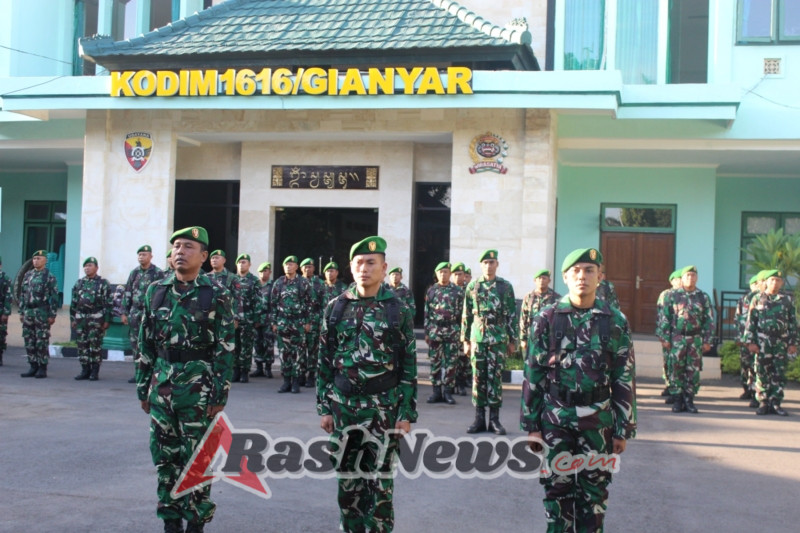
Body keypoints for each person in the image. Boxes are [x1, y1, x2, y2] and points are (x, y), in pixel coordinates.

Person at [521, 247, 636, 533]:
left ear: (600, 278)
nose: (582, 276)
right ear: (565, 277)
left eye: (589, 271)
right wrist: (532, 427)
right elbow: (533, 375)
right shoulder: (546, 319)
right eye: (576, 271)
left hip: (598, 421)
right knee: (556, 496)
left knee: (594, 499)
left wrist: (623, 428)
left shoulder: (615, 321)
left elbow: (624, 377)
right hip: (555, 420)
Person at [137, 226, 235, 533]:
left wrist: (219, 395)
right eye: (177, 246)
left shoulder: (216, 294)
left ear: (204, 256)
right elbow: (145, 342)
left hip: (199, 390)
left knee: (197, 460)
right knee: (165, 459)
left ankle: (195, 523)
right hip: (162, 387)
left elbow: (225, 348)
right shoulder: (156, 290)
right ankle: (170, 522)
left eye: (189, 246)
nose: (180, 251)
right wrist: (143, 387)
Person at [317, 235, 417, 533]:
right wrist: (324, 407)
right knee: (348, 482)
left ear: (384, 268)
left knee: (381, 484)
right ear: (350, 267)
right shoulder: (336, 307)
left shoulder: (397, 309)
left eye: (371, 263)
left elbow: (408, 365)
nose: (365, 268)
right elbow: (324, 360)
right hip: (344, 408)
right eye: (359, 262)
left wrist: (406, 413)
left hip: (382, 408)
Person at [461, 249, 516, 435]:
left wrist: (512, 339)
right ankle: (478, 419)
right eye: (485, 262)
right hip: (478, 338)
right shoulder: (473, 286)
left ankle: (494, 419)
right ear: (481, 265)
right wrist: (465, 340)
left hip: (498, 338)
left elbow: (511, 314)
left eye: (492, 262)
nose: (488, 265)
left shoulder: (505, 287)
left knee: (495, 379)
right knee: (478, 378)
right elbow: (466, 315)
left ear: (497, 264)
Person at [657, 265, 715, 414]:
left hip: (695, 338)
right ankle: (677, 400)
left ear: (697, 278)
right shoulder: (672, 296)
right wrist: (664, 337)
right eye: (687, 276)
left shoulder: (703, 297)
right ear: (682, 278)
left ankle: (689, 399)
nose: (690, 278)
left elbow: (709, 320)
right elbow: (664, 317)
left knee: (693, 370)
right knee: (676, 369)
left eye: (693, 276)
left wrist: (708, 340)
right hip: (677, 337)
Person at [745, 270, 797, 416]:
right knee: (762, 372)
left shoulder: (787, 300)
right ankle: (763, 402)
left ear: (781, 283)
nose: (775, 283)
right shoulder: (757, 298)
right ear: (766, 282)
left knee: (778, 373)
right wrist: (750, 342)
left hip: (781, 341)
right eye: (772, 280)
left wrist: (793, 343)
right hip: (762, 341)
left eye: (778, 280)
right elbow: (751, 322)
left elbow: (793, 323)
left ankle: (776, 403)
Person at [122, 244, 165, 383]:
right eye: (139, 254)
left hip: (151, 314)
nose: (141, 257)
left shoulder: (158, 273)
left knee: (151, 343)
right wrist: (124, 312)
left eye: (144, 254)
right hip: (135, 313)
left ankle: (152, 373)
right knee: (136, 344)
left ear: (151, 256)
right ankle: (138, 373)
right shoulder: (134, 273)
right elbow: (127, 292)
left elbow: (162, 294)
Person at [270, 255, 311, 393]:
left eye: (292, 264)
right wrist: (274, 322)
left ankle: (296, 382)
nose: (289, 266)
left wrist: (307, 322)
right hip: (283, 322)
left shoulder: (303, 282)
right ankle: (286, 381)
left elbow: (308, 303)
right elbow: (273, 304)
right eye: (286, 264)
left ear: (296, 267)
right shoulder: (279, 282)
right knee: (284, 353)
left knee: (298, 353)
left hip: (298, 322)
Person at [423, 262, 463, 405]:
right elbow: (427, 312)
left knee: (451, 362)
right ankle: (436, 391)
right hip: (435, 331)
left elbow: (462, 314)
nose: (443, 274)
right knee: (435, 362)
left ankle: (447, 392)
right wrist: (426, 332)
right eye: (440, 272)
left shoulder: (457, 291)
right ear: (437, 274)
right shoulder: (431, 291)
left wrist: (461, 333)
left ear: (450, 274)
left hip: (452, 330)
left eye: (446, 272)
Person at [70, 257, 112, 381]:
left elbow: (108, 303)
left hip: (96, 318)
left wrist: (107, 320)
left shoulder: (103, 283)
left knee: (95, 345)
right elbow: (73, 302)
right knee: (82, 345)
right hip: (81, 318)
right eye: (85, 266)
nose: (87, 268)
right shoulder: (79, 283)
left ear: (96, 268)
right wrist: (73, 318)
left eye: (90, 265)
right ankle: (84, 369)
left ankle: (94, 371)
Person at [19, 250, 60, 379]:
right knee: (29, 339)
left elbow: (54, 297)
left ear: (45, 261)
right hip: (28, 311)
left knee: (41, 340)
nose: (36, 261)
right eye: (34, 258)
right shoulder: (28, 275)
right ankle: (33, 365)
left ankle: (42, 367)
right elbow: (23, 294)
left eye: (39, 258)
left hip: (41, 312)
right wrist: (21, 311)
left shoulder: (49, 276)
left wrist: (52, 314)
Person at [207, 250, 244, 379]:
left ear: (224, 260)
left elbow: (237, 298)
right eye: (212, 258)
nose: (214, 260)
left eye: (217, 257)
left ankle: (228, 372)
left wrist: (236, 317)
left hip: (226, 317)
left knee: (226, 346)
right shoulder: (206, 277)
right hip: (210, 317)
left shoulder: (232, 278)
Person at [519, 269, 561, 354]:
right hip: (531, 338)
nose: (541, 280)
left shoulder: (556, 298)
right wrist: (523, 339)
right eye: (539, 278)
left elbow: (560, 319)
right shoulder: (529, 297)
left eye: (544, 278)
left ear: (549, 281)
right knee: (530, 364)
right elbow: (523, 317)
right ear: (535, 281)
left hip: (549, 339)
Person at [734, 273, 761, 406]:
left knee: (756, 367)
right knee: (745, 365)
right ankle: (746, 389)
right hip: (745, 337)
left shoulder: (763, 299)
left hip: (758, 339)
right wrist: (739, 337)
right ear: (750, 285)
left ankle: (756, 392)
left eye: (758, 283)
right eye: (754, 284)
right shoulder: (743, 299)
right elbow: (738, 318)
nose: (756, 286)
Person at [656, 270, 683, 401]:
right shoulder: (666, 294)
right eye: (677, 279)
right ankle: (669, 384)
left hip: (679, 336)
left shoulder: (685, 296)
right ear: (672, 281)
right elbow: (662, 315)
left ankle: (675, 389)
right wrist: (662, 334)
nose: (679, 281)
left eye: (680, 279)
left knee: (676, 363)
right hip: (668, 333)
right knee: (668, 361)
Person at [234, 253, 260, 383]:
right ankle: (236, 370)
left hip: (248, 318)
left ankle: (244, 371)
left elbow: (258, 301)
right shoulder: (232, 280)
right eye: (240, 262)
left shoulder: (254, 280)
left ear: (249, 265)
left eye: (244, 262)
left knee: (246, 346)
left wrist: (256, 318)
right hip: (234, 319)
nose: (242, 264)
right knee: (235, 345)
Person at [301, 257, 327, 387]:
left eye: (310, 267)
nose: (308, 269)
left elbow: (324, 304)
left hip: (315, 322)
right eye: (305, 267)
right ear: (301, 269)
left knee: (313, 349)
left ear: (314, 269)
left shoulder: (319, 283)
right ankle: (300, 373)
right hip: (299, 322)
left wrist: (323, 321)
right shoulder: (297, 282)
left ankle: (311, 374)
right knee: (300, 349)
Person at [449, 262, 470, 395]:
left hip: (464, 329)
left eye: (460, 274)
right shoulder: (449, 290)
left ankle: (461, 383)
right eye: (455, 274)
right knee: (452, 359)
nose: (458, 277)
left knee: (463, 359)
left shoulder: (470, 290)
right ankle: (451, 384)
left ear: (464, 276)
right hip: (451, 330)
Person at [252, 261, 275, 378]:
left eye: (265, 271)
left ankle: (268, 368)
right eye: (261, 271)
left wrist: (274, 321)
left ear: (270, 272)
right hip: (256, 319)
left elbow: (276, 304)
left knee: (269, 344)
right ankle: (259, 367)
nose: (263, 273)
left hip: (268, 319)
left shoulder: (273, 286)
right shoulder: (255, 285)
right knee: (257, 343)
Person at [0, 256, 12, 366]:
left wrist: (6, 312)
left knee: (1, 334)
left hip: (1, 311)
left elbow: (8, 297)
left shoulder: (5, 279)